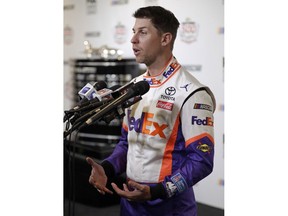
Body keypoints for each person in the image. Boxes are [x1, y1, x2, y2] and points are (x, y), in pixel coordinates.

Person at [86, 6, 216, 216]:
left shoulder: (193, 92)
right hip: (130, 202)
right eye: (133, 31)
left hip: (170, 206)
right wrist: (107, 169)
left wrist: (158, 190)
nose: (133, 39)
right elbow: (126, 143)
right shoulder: (134, 87)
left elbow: (201, 161)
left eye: (143, 32)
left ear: (165, 39)